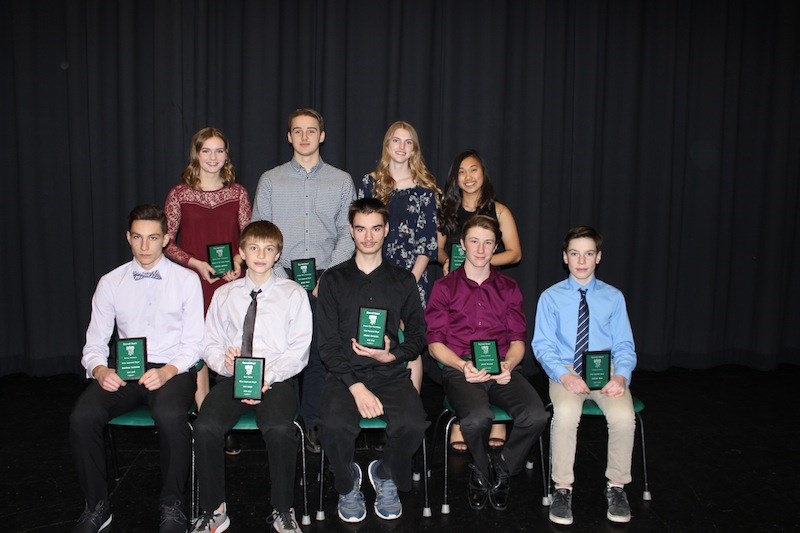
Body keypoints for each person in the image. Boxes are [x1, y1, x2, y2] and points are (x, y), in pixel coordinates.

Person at [69, 204, 204, 533]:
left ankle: (172, 505)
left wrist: (169, 371)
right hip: (126, 369)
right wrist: (100, 370)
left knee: (171, 416)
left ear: (166, 239)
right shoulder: (110, 282)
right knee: (82, 417)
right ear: (128, 238)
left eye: (153, 238)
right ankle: (97, 505)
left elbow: (195, 344)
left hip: (172, 369)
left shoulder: (186, 280)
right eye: (138, 238)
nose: (145, 246)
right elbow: (94, 343)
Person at [190, 221, 312, 533]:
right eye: (254, 248)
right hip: (233, 378)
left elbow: (300, 349)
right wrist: (226, 363)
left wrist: (266, 376)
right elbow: (210, 343)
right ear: (242, 253)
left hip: (277, 379)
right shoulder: (224, 294)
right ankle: (214, 509)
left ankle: (283, 509)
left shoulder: (293, 293)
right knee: (205, 426)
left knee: (279, 428)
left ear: (278, 255)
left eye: (268, 249)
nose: (261, 254)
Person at [316, 198, 429, 523]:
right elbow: (327, 345)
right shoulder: (333, 280)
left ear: (387, 230)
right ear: (351, 231)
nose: (368, 237)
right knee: (334, 426)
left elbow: (420, 336)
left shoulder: (402, 280)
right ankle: (348, 482)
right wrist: (357, 388)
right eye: (361, 229)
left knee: (413, 422)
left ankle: (385, 472)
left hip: (390, 374)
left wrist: (392, 353)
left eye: (375, 228)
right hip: (343, 375)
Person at [426, 215, 547, 512]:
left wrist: (508, 365)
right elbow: (434, 345)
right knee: (477, 417)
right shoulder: (444, 287)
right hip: (460, 367)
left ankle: (503, 467)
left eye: (488, 243)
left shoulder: (508, 288)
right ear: (463, 245)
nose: (481, 250)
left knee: (536, 415)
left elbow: (518, 340)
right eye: (475, 242)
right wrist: (461, 366)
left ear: (495, 248)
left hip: (501, 368)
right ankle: (481, 469)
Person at [252, 108, 355, 453]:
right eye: (298, 131)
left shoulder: (341, 181)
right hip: (279, 280)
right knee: (283, 352)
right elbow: (259, 230)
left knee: (316, 358)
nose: (305, 137)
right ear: (289, 136)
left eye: (312, 131)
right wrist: (283, 279)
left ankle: (310, 424)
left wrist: (326, 277)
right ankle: (284, 421)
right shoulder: (270, 180)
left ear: (322, 136)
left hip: (327, 283)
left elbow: (348, 232)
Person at [532, 225, 637, 526]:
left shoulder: (613, 297)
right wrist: (563, 377)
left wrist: (622, 377)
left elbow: (625, 345)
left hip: (606, 371)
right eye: (575, 254)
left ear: (598, 257)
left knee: (623, 417)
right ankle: (562, 488)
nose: (581, 261)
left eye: (588, 254)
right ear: (565, 257)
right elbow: (542, 345)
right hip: (565, 369)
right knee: (565, 413)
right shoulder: (550, 298)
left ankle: (617, 486)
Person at [163, 127, 252, 432]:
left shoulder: (238, 193)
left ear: (227, 155)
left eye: (219, 151)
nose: (213, 157)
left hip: (230, 282)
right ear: (196, 154)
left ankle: (229, 415)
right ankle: (208, 424)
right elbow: (167, 241)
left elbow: (248, 237)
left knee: (230, 345)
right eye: (206, 151)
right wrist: (195, 263)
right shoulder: (179, 195)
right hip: (193, 282)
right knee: (199, 348)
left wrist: (239, 261)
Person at [436, 149, 522, 452]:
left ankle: (497, 419)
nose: (468, 177)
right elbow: (439, 250)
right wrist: (449, 262)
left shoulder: (499, 210)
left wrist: (480, 262)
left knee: (494, 342)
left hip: (491, 286)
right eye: (462, 172)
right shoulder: (447, 210)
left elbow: (514, 252)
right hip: (457, 288)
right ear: (455, 178)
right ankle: (463, 417)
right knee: (460, 342)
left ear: (483, 174)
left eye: (474, 170)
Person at [357, 120, 440, 393]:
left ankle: (410, 411)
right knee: (374, 339)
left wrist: (405, 285)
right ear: (387, 145)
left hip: (412, 280)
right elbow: (361, 233)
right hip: (374, 276)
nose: (401, 147)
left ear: (414, 148)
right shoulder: (370, 183)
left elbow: (427, 246)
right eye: (396, 140)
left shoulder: (426, 190)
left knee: (408, 345)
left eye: (408, 142)